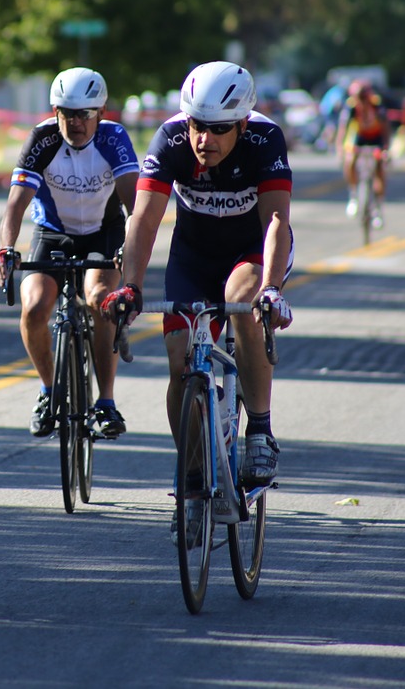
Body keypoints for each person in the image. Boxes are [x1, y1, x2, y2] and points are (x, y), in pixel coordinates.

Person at [101, 61, 294, 543]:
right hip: (194, 254)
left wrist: (272, 289)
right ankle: (190, 480)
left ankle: (260, 432)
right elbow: (144, 223)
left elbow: (275, 223)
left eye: (217, 128)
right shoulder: (169, 140)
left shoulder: (264, 141)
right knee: (180, 358)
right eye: (195, 125)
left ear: (243, 124)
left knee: (241, 300)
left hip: (252, 252)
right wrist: (130, 285)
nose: (203, 138)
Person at [0, 67, 139, 439]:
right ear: (54, 112)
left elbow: (135, 205)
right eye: (67, 114)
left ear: (101, 112)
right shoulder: (42, 139)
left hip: (103, 234)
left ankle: (105, 401)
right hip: (53, 233)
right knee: (35, 307)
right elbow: (14, 206)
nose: (76, 122)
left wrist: (130, 249)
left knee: (100, 299)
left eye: (85, 114)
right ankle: (48, 390)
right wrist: (7, 249)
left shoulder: (114, 139)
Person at [340, 79, 392, 227]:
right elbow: (343, 130)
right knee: (350, 160)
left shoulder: (377, 105)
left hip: (376, 138)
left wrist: (386, 148)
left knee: (380, 167)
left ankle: (378, 208)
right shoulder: (351, 107)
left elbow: (386, 128)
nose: (362, 101)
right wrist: (341, 149)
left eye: (364, 97)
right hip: (361, 137)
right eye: (359, 98)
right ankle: (354, 196)